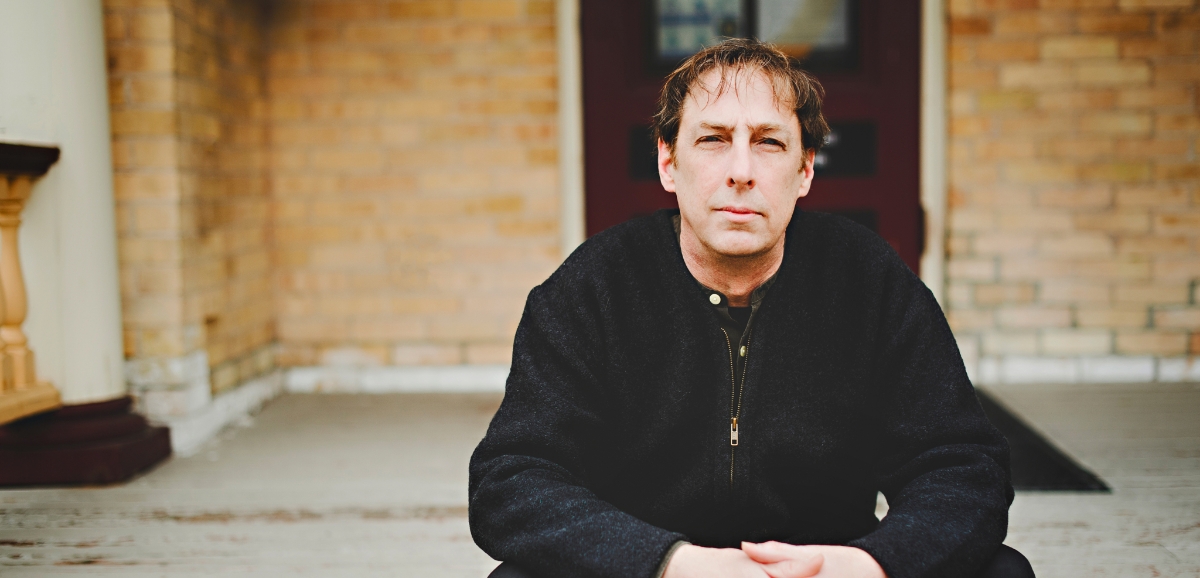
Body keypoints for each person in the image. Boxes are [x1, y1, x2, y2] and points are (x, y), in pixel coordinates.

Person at [469, 39, 1034, 578]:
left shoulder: (869, 282)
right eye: (713, 139)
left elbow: (963, 466)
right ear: (669, 163)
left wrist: (869, 565)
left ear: (805, 169)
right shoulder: (593, 290)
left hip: (826, 569)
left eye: (768, 142)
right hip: (651, 571)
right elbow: (512, 480)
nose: (741, 170)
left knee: (1003, 572)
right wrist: (672, 564)